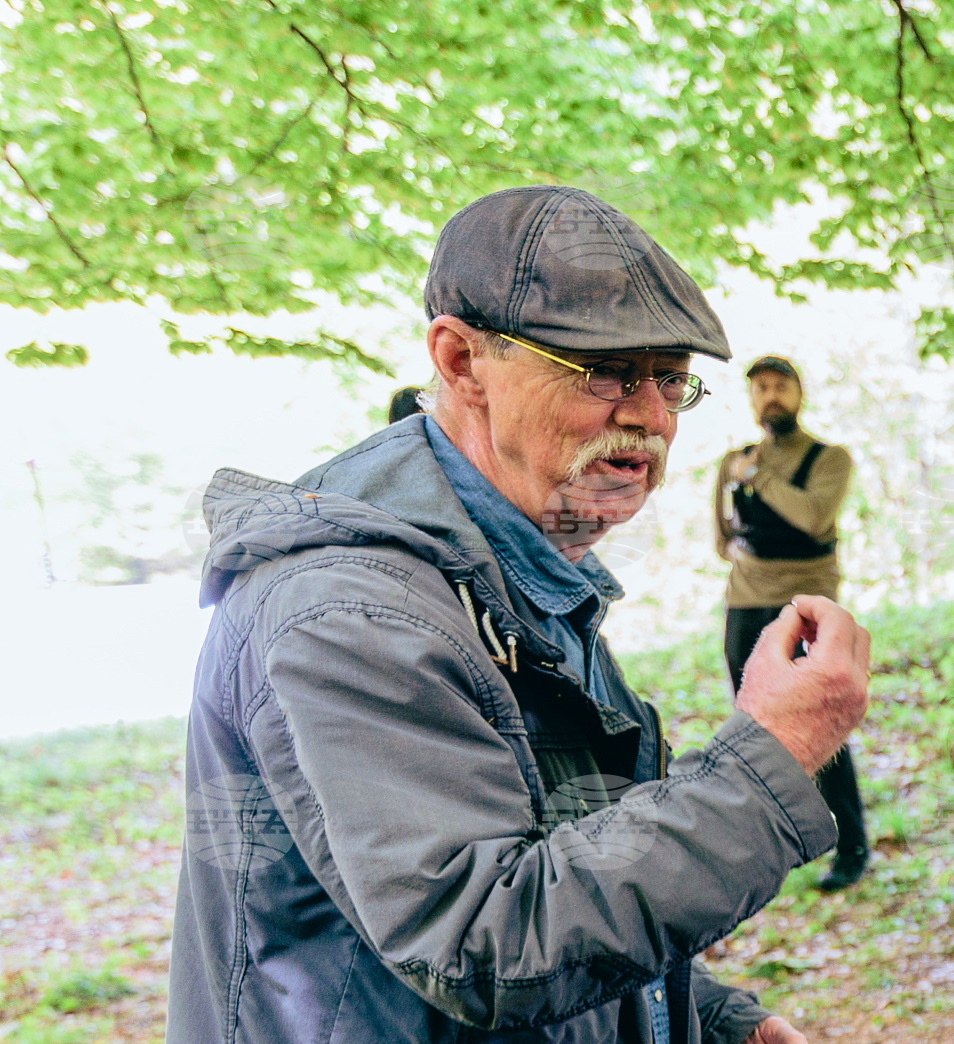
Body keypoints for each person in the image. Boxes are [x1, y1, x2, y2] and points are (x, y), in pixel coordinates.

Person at [167, 186, 870, 1044]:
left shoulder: (516, 565)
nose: (649, 417)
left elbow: (561, 854)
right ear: (462, 361)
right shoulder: (351, 610)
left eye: (670, 378)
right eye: (606, 372)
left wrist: (712, 1021)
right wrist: (773, 755)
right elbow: (483, 942)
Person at [715, 356, 869, 892]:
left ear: (800, 393)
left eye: (780, 386)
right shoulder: (732, 461)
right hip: (745, 600)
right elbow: (721, 537)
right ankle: (772, 846)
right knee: (753, 723)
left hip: (806, 604)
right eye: (760, 388)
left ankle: (850, 846)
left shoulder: (829, 458)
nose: (770, 396)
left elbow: (813, 517)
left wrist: (757, 477)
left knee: (819, 721)